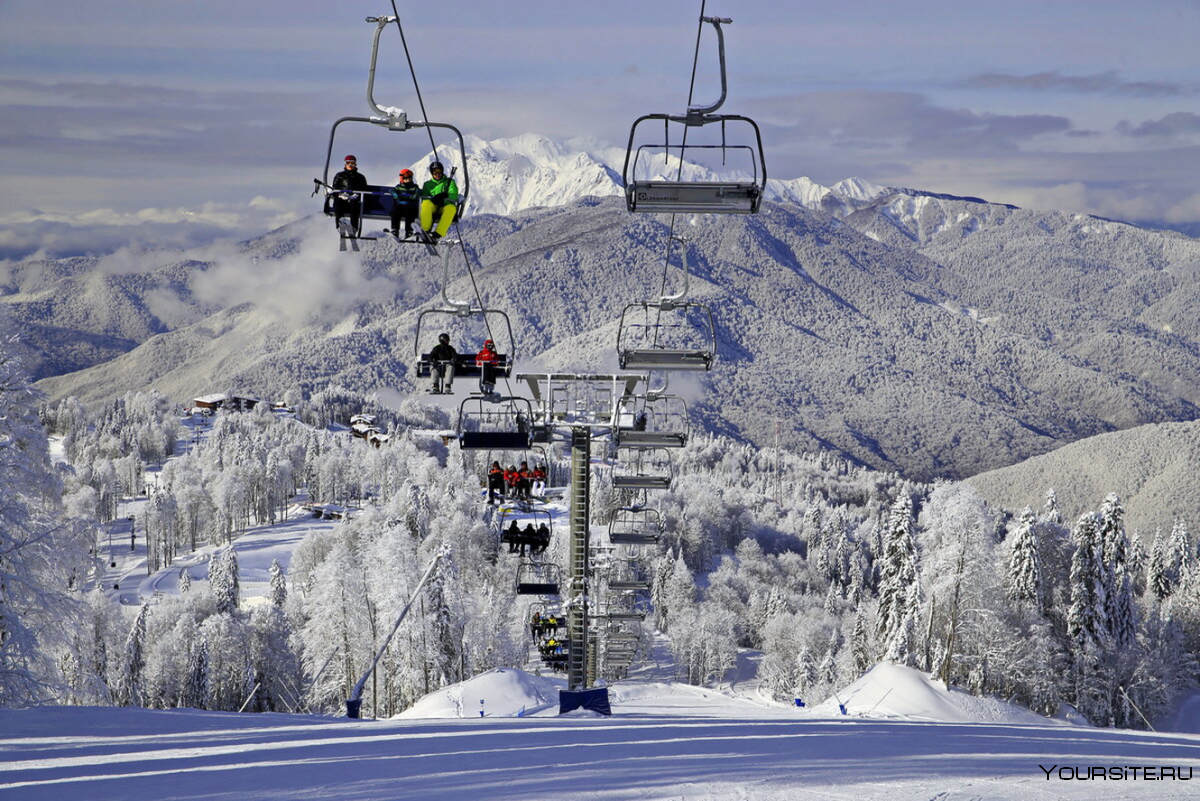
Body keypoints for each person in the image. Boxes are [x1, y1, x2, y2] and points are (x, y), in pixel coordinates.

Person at [419, 160, 459, 242]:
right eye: (435, 172)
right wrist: (433, 199)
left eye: (439, 172)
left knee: (451, 208)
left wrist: (445, 195)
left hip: (445, 206)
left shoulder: (449, 182)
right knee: (426, 203)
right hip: (433, 207)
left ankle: (438, 233)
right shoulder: (427, 185)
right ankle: (425, 230)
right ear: (432, 173)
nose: (437, 174)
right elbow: (423, 197)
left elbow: (454, 194)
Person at [331, 155, 369, 234]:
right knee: (338, 203)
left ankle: (354, 227)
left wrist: (356, 196)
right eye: (348, 163)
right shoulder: (340, 176)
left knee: (354, 204)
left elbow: (364, 190)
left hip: (354, 201)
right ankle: (340, 225)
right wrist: (340, 195)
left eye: (352, 163)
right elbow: (334, 189)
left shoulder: (360, 177)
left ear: (356, 164)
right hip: (342, 200)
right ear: (345, 164)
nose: (350, 165)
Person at [389, 168, 420, 238]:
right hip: (401, 206)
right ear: (402, 179)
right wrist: (395, 194)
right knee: (395, 212)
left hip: (411, 206)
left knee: (410, 213)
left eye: (409, 179)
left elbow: (418, 192)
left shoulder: (414, 187)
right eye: (406, 179)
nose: (408, 181)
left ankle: (409, 231)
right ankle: (395, 229)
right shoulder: (399, 187)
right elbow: (392, 190)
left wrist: (414, 195)